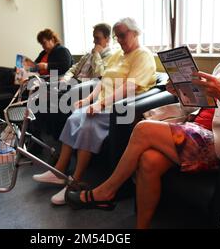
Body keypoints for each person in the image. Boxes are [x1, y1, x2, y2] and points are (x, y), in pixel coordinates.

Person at [65, 0, 220, 228]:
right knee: (148, 161)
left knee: (143, 129)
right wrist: (181, 92)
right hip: (195, 127)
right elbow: (202, 106)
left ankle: (106, 191)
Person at [32, 18, 158, 205]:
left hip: (121, 107)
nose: (120, 40)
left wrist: (101, 104)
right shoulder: (118, 55)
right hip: (103, 104)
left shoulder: (143, 55)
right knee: (74, 118)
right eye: (117, 36)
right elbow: (103, 80)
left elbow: (130, 87)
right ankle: (59, 171)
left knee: (88, 124)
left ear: (136, 32)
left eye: (123, 35)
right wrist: (89, 100)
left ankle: (74, 182)